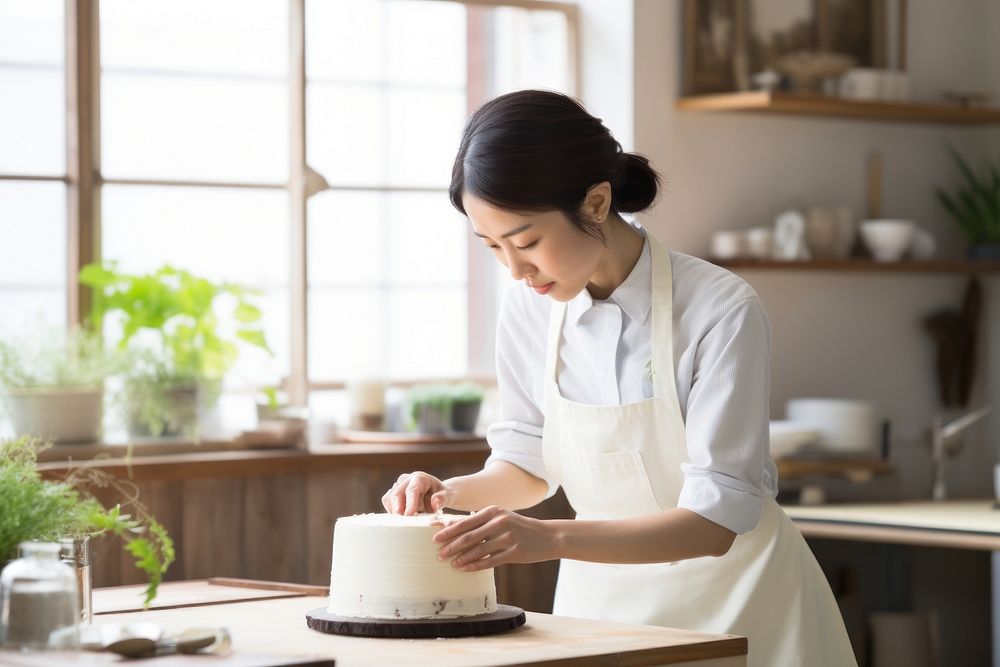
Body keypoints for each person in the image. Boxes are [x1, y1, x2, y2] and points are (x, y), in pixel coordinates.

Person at [382, 90, 856, 667]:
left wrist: (548, 539)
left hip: (741, 606)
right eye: (493, 246)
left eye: (527, 241)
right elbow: (528, 464)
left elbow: (714, 522)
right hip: (601, 614)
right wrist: (448, 496)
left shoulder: (718, 310)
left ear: (598, 202)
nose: (515, 269)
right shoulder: (529, 309)